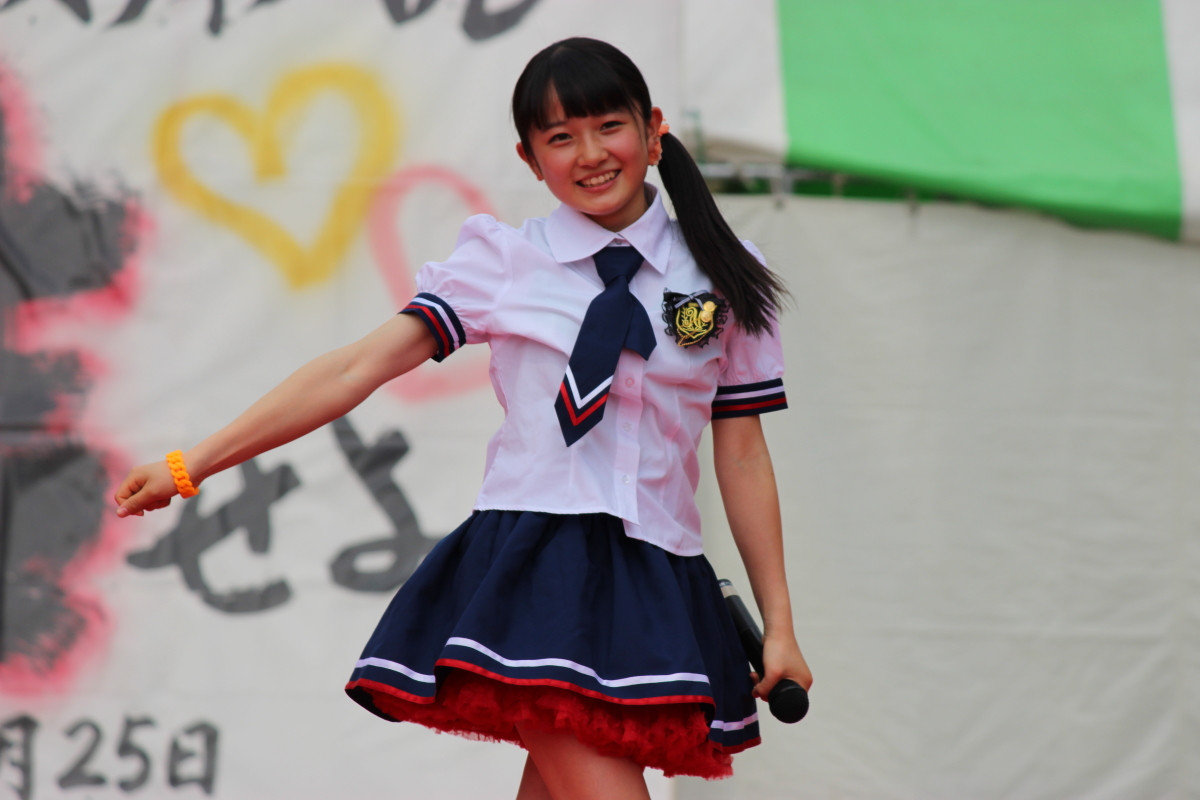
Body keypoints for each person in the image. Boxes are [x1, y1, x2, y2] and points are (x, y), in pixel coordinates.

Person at [115, 36, 812, 800]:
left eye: (609, 127)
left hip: (656, 569)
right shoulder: (504, 261)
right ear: (529, 159)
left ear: (653, 131)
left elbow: (741, 453)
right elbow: (355, 368)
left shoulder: (724, 274)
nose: (590, 155)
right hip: (534, 565)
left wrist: (779, 623)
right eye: (560, 138)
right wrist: (191, 465)